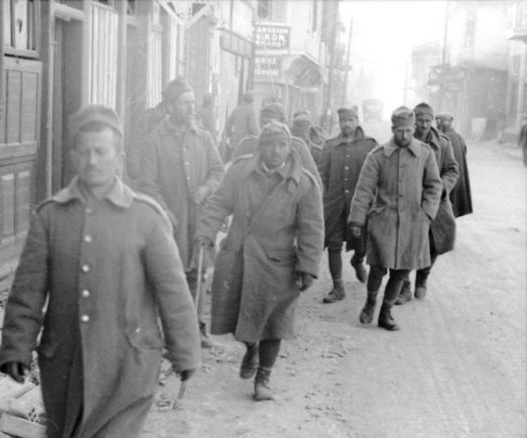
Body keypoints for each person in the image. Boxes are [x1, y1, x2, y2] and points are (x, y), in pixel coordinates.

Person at [0, 105, 201, 438]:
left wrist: (185, 350)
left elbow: (173, 292)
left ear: (119, 157)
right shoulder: (51, 217)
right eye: (85, 152)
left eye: (102, 151)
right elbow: (28, 290)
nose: (93, 161)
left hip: (127, 363)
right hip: (65, 362)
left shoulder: (146, 217)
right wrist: (17, 345)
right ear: (75, 155)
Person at [195, 121, 324, 401]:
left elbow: (312, 228)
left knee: (275, 323)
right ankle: (250, 347)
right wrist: (206, 231)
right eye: (269, 144)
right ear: (260, 146)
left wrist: (307, 267)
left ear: (290, 147)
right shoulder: (240, 172)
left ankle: (263, 377)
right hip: (239, 256)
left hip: (278, 263)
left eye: (281, 145)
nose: (275, 151)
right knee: (236, 315)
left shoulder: (303, 183)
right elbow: (219, 203)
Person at [138, 77, 225, 348]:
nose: (190, 108)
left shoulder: (203, 137)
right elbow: (146, 183)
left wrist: (205, 189)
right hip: (169, 221)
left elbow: (218, 170)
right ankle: (172, 335)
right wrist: (164, 210)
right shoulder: (154, 141)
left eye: (192, 102)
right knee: (170, 275)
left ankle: (197, 329)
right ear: (170, 105)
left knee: (198, 272)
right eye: (184, 103)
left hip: (199, 218)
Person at [348, 107, 442, 331]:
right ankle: (371, 302)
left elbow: (434, 186)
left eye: (409, 131)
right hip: (384, 221)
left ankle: (385, 312)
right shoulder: (378, 156)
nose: (405, 136)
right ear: (393, 130)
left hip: (413, 223)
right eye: (400, 131)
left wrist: (427, 214)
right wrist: (357, 220)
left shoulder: (425, 153)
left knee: (402, 270)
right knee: (378, 267)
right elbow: (363, 191)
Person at [396, 102, 459, 303]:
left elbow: (452, 170)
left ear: (432, 120)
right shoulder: (405, 140)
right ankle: (403, 286)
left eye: (427, 120)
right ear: (414, 120)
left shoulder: (443, 143)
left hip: (435, 199)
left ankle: (423, 277)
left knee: (437, 241)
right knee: (404, 242)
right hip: (408, 199)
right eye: (420, 120)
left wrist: (442, 187)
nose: (423, 125)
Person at [317, 106, 378, 303]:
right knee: (333, 244)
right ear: (339, 123)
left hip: (359, 207)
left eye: (351, 120)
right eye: (343, 121)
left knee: (361, 243)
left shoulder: (370, 146)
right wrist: (323, 198)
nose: (347, 124)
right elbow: (322, 175)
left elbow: (377, 176)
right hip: (334, 206)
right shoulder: (330, 146)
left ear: (357, 121)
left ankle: (357, 261)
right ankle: (338, 287)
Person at [232, 103, 322, 186]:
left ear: (284, 125)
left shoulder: (297, 147)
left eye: (271, 123)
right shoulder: (246, 146)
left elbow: (314, 184)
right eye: (263, 123)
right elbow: (231, 180)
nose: (267, 128)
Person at [436, 113, 473, 217]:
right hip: (458, 177)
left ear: (441, 122)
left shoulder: (442, 138)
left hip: (449, 179)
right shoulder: (459, 137)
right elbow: (465, 152)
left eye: (437, 122)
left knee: (446, 210)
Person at [224, 91, 260, 158]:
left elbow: (228, 124)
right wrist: (259, 136)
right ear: (252, 101)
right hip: (246, 144)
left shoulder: (236, 110)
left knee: (234, 162)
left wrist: (231, 135)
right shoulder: (251, 110)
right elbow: (253, 127)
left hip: (235, 142)